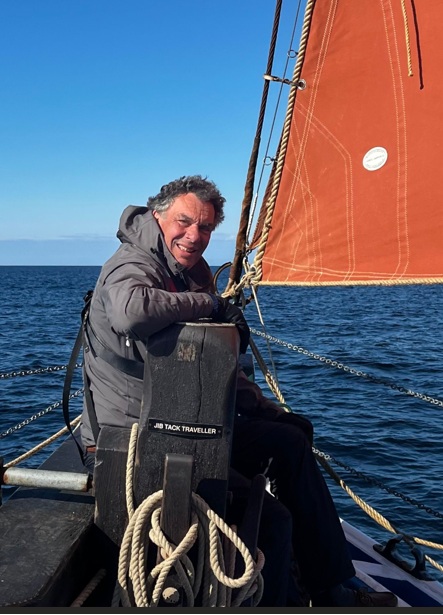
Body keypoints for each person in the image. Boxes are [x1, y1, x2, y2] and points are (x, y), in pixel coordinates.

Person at [79, 175, 397, 608]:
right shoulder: (133, 262)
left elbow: (218, 367)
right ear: (157, 216)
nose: (194, 236)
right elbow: (132, 311)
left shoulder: (190, 271)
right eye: (184, 222)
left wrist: (270, 412)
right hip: (135, 438)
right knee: (273, 520)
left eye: (205, 227)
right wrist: (211, 304)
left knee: (290, 441)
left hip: (191, 425)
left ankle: (332, 589)